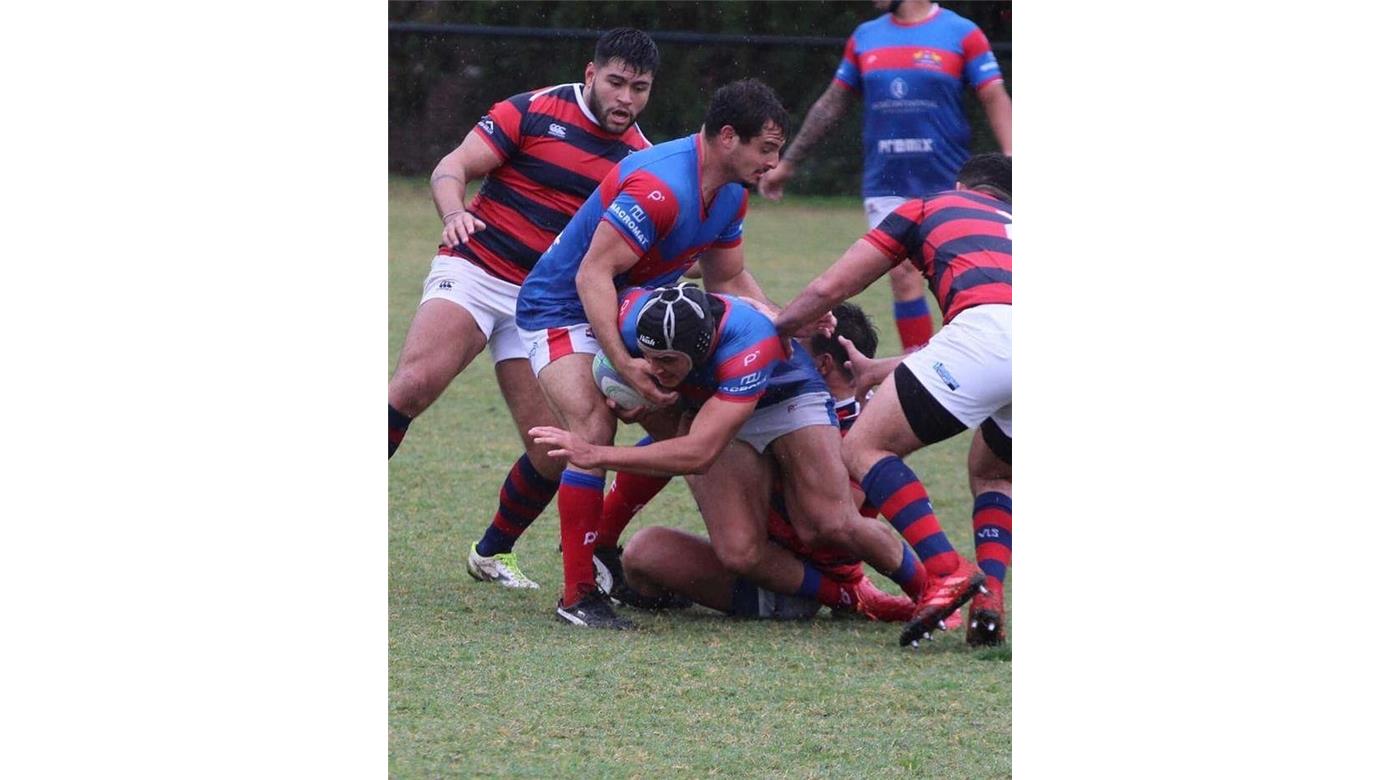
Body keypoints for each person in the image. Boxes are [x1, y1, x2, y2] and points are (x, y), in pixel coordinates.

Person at [532, 285, 982, 642]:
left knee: (827, 519)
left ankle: (931, 591)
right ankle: (844, 596)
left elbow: (698, 453)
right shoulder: (635, 318)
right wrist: (631, 373)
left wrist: (597, 454)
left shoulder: (751, 349)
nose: (656, 368)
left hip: (785, 402)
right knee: (714, 550)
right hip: (728, 425)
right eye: (649, 356)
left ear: (704, 347)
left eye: (667, 362)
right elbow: (599, 283)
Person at [513, 80, 792, 628]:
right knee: (593, 424)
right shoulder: (659, 186)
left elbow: (728, 277)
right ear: (729, 138)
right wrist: (622, 363)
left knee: (680, 426)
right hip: (563, 307)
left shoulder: (731, 192)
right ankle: (577, 596)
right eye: (767, 148)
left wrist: (785, 320)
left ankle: (604, 546)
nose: (774, 162)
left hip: (634, 312)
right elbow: (592, 273)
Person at [386, 29, 659, 589]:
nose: (625, 98)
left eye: (639, 88)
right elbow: (451, 167)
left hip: (542, 303)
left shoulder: (640, 161)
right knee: (413, 386)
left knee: (555, 448)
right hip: (477, 269)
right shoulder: (535, 110)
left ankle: (491, 553)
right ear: (590, 74)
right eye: (615, 82)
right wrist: (453, 213)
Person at [774, 152, 1011, 646]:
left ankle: (946, 569)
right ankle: (990, 599)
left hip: (985, 336)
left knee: (863, 448)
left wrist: (779, 328)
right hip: (997, 341)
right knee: (995, 471)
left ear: (963, 186)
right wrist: (880, 370)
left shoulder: (931, 206)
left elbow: (830, 287)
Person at [615, 302, 929, 626]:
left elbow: (835, 521)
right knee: (644, 552)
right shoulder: (771, 402)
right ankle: (601, 549)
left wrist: (601, 453)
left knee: (805, 522)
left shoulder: (858, 427)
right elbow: (682, 449)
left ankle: (900, 591)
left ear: (821, 364)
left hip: (797, 574)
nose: (781, 351)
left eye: (796, 347)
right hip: (755, 556)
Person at [758, 0, 1010, 354]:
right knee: (902, 273)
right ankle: (914, 370)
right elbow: (831, 104)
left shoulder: (962, 33)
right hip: (886, 183)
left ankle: (959, 367)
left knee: (958, 278)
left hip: (949, 183)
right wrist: (789, 164)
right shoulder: (865, 37)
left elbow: (994, 97)